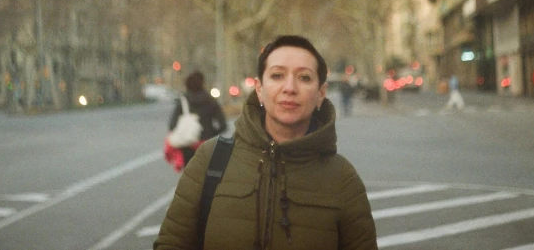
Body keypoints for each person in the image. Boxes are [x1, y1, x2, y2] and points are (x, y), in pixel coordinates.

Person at [154, 35, 377, 250]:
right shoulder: (210, 160)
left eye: (304, 77)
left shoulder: (343, 179)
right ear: (259, 89)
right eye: (277, 75)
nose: (289, 88)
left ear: (321, 94)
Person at [168, 71, 227, 167]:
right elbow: (223, 125)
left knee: (189, 175)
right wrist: (212, 133)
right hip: (207, 145)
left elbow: (172, 125)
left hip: (188, 145)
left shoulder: (183, 102)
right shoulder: (211, 101)